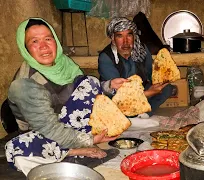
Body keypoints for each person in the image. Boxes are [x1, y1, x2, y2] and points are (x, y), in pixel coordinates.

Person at [4, 18, 118, 175]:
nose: (44, 46)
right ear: (25, 48)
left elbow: (81, 90)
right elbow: (50, 129)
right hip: (44, 134)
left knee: (90, 82)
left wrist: (109, 86)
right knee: (16, 150)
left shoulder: (64, 64)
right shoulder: (24, 84)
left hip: (67, 124)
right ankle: (72, 151)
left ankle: (68, 148)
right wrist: (89, 140)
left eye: (48, 39)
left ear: (55, 41)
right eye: (35, 41)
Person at [98, 17, 173, 118]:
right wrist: (148, 93)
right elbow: (120, 93)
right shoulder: (106, 57)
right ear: (113, 39)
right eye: (119, 36)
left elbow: (151, 74)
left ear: (134, 36)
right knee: (112, 102)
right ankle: (127, 117)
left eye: (129, 35)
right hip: (118, 96)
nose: (125, 42)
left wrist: (157, 85)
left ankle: (143, 115)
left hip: (140, 90)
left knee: (167, 88)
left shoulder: (141, 50)